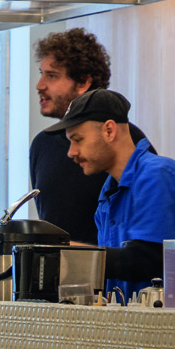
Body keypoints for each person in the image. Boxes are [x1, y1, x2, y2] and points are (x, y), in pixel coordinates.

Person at [51, 89, 175, 305]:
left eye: (78, 139)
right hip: (138, 328)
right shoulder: (108, 196)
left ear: (109, 131)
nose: (71, 152)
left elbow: (145, 261)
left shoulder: (158, 175)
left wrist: (63, 253)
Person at [28, 29, 151, 244]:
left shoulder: (127, 141)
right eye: (42, 73)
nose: (40, 85)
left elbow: (143, 242)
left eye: (52, 75)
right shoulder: (42, 144)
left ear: (83, 83)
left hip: (112, 275)